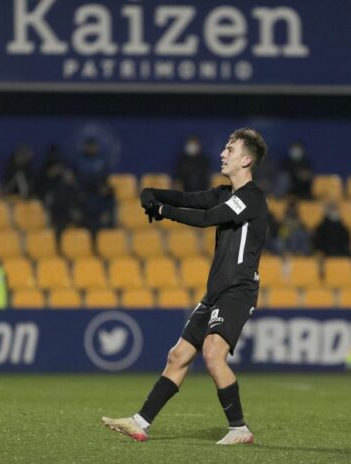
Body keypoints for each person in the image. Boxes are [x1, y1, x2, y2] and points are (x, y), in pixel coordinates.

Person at [102, 128, 268, 445]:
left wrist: (162, 211)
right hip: (215, 291)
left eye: (230, 150)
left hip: (238, 289)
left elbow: (208, 218)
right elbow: (189, 199)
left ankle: (239, 429)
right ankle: (138, 422)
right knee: (178, 356)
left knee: (212, 354)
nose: (222, 153)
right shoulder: (225, 193)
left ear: (246, 160)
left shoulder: (252, 198)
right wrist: (152, 193)